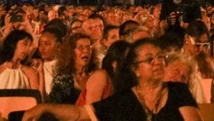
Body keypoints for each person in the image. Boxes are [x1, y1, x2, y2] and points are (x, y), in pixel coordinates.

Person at [20, 39, 202, 121]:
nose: (157, 62)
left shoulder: (178, 91)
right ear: (136, 70)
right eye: (149, 59)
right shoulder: (125, 100)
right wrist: (44, 107)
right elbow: (81, 113)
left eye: (160, 57)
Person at [48, 33, 97, 105]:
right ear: (71, 52)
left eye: (89, 47)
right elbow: (56, 106)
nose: (86, 51)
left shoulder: (96, 75)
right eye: (80, 47)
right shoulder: (62, 79)